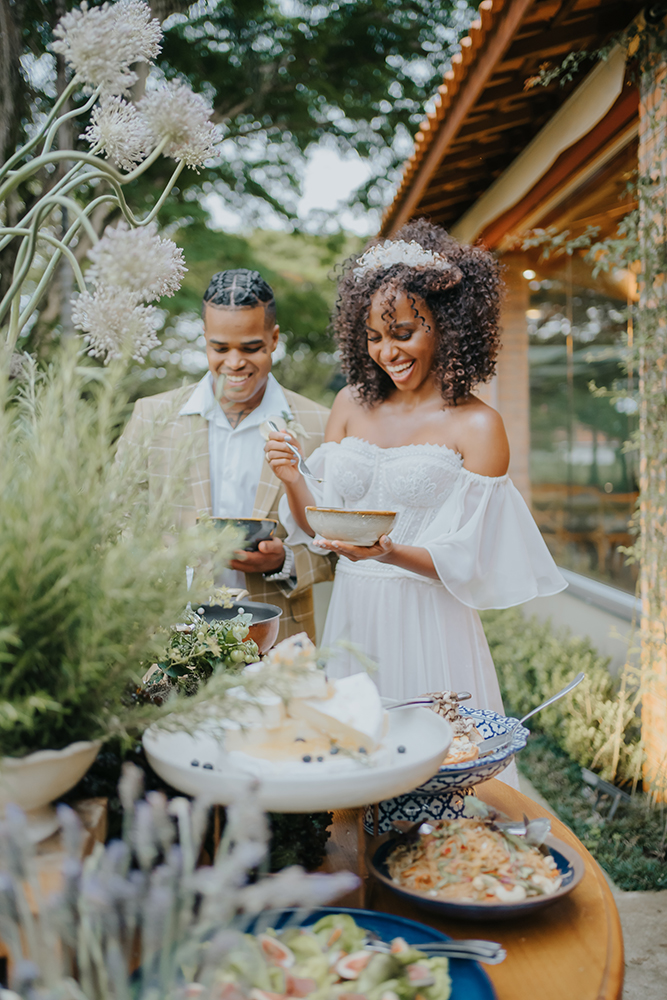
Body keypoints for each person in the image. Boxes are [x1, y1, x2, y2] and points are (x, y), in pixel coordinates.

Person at [265, 220, 566, 712]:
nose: (387, 352)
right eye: (374, 336)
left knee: (437, 764)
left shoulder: (480, 427)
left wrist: (387, 553)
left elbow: (470, 562)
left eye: (403, 333)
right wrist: (293, 477)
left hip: (429, 622)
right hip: (353, 613)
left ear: (446, 324)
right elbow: (317, 523)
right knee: (356, 753)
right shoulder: (348, 404)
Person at [118, 268, 334, 642]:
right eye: (220, 349)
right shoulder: (152, 416)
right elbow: (115, 517)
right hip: (169, 633)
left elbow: (337, 545)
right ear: (204, 341)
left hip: (280, 638)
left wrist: (284, 562)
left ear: (274, 338)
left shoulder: (320, 423)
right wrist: (161, 558)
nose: (234, 363)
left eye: (250, 348)